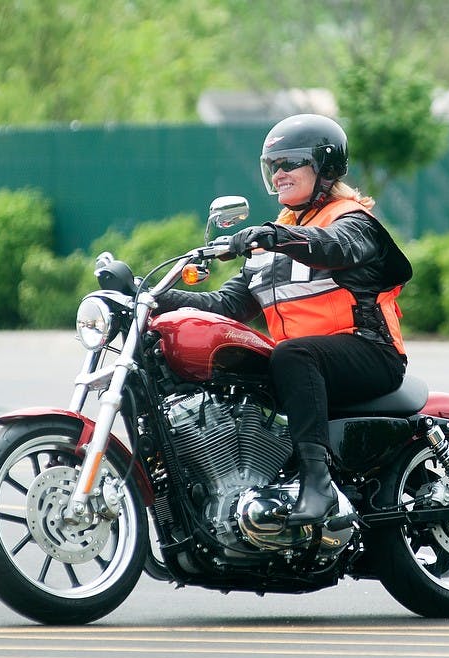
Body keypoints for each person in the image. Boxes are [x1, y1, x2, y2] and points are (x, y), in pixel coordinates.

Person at [156, 113, 412, 527]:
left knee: (292, 355)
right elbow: (224, 306)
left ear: (325, 167)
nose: (279, 174)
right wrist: (148, 297)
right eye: (273, 166)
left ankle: (319, 485)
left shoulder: (352, 221)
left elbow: (333, 248)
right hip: (306, 363)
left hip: (370, 353)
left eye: (290, 163)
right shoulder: (274, 236)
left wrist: (273, 236)